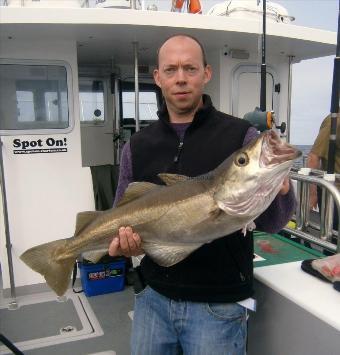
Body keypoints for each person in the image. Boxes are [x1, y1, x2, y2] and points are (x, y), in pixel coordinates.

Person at [108, 34, 295, 355]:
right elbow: (119, 216)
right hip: (152, 298)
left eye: (190, 69)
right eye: (171, 70)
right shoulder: (137, 146)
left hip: (218, 306)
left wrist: (279, 188)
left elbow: (274, 223)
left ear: (206, 73)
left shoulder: (242, 135)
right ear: (158, 77)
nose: (181, 78)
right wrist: (122, 245)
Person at [307, 114, 340, 230]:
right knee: (332, 239)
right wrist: (313, 194)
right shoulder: (334, 122)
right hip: (334, 194)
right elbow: (313, 158)